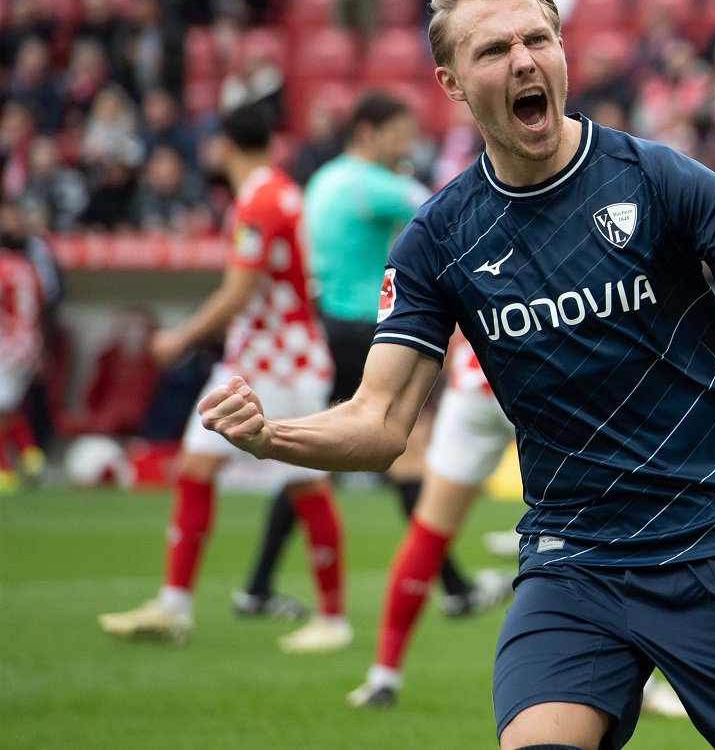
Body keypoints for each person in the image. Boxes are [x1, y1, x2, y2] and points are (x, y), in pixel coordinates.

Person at [196, 0, 715, 747]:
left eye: (537, 39)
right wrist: (272, 437)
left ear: (561, 51)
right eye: (492, 50)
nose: (522, 60)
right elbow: (379, 423)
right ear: (451, 82)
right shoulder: (437, 241)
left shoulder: (658, 179)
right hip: (574, 561)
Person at [230, 93, 497, 621]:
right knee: (404, 452)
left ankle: (258, 586)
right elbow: (453, 211)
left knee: (318, 456)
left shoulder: (324, 180)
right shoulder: (375, 185)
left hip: (328, 328)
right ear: (367, 133)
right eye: (399, 135)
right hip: (369, 333)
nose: (407, 147)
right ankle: (452, 586)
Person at [98, 103, 350, 654]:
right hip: (263, 358)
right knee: (196, 467)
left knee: (305, 482)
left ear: (224, 145)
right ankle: (173, 606)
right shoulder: (282, 191)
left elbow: (238, 291)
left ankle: (333, 620)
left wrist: (180, 338)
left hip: (278, 364)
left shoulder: (258, 201)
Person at [347, 335, 686, 722]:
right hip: (545, 376)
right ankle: (643, 683)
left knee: (429, 531)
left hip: (476, 381)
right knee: (604, 526)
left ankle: (383, 676)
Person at [0, 202, 45, 492]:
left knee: (2, 408)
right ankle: (30, 456)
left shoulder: (3, 267)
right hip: (27, 342)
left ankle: (4, 470)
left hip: (8, 345)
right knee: (9, 406)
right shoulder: (27, 266)